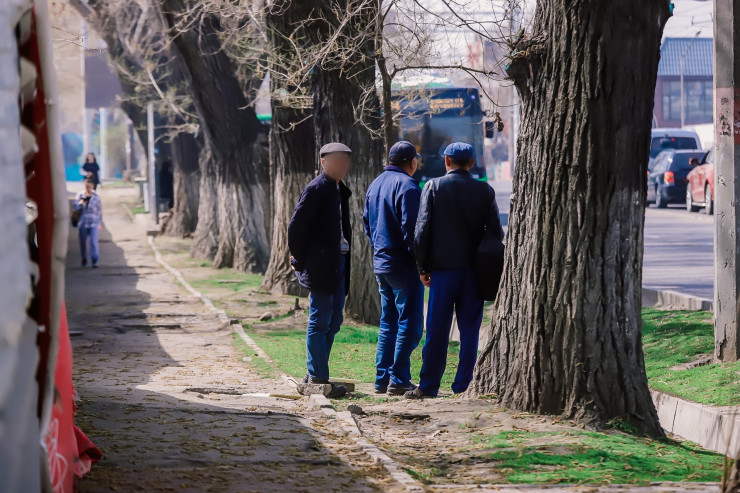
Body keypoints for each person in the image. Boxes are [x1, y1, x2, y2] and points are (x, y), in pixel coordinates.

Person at [406, 142, 504, 399]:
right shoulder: (484, 190)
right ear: (472, 163)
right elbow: (496, 232)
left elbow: (421, 231)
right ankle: (464, 384)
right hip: (473, 272)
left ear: (446, 161)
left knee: (436, 329)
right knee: (470, 330)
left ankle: (428, 385)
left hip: (442, 271)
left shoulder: (433, 187)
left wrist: (423, 267)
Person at [288, 143, 353, 399]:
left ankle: (314, 371)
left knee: (334, 320)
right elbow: (296, 227)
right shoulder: (316, 188)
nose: (341, 165)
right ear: (323, 162)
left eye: (345, 161)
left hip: (339, 261)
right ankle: (317, 378)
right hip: (320, 264)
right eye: (336, 160)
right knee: (320, 319)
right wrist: (299, 259)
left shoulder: (339, 189)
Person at [363, 141, 424, 395]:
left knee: (389, 322)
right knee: (410, 323)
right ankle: (398, 379)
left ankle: (382, 379)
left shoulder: (375, 184)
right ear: (411, 162)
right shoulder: (408, 186)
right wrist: (422, 263)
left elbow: (367, 226)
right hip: (404, 264)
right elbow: (413, 230)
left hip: (382, 263)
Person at [75, 178, 103, 268]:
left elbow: (99, 211)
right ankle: (84, 258)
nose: (88, 189)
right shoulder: (80, 196)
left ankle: (95, 260)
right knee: (83, 242)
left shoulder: (96, 197)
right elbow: (75, 209)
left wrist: (100, 222)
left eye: (89, 187)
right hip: (83, 222)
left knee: (93, 242)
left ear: (93, 186)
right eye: (86, 186)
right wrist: (80, 203)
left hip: (94, 222)